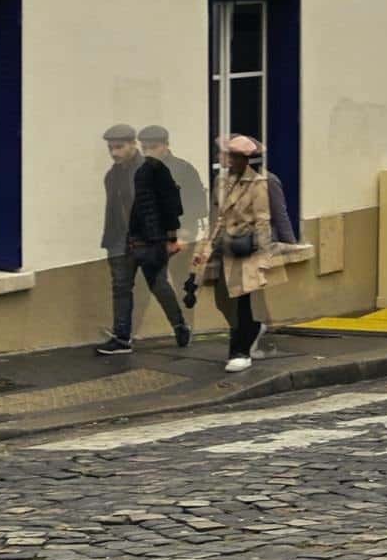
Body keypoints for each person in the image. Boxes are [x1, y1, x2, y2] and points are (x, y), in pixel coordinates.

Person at [189, 134, 280, 374]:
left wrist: (263, 257)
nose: (229, 161)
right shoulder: (221, 181)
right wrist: (204, 250)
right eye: (228, 156)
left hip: (245, 249)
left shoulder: (258, 183)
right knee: (222, 300)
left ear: (246, 160)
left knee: (240, 300)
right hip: (222, 247)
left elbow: (263, 220)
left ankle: (239, 351)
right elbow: (215, 217)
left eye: (235, 157)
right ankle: (253, 328)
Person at [95, 126, 190, 355]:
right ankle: (122, 338)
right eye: (111, 148)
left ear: (132, 145)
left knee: (158, 284)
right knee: (121, 288)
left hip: (149, 240)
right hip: (119, 241)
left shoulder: (152, 169)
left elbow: (169, 205)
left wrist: (170, 238)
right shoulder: (112, 175)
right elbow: (114, 210)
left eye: (119, 147)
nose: (114, 153)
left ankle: (179, 324)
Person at [139, 124, 206, 247]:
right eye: (144, 148)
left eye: (153, 147)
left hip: (179, 232)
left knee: (178, 266)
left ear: (166, 145)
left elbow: (197, 202)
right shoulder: (141, 170)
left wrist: (185, 232)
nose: (148, 152)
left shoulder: (183, 168)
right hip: (150, 235)